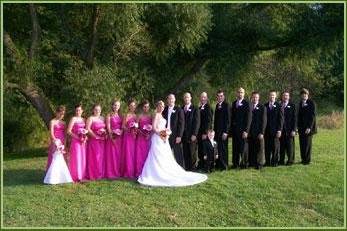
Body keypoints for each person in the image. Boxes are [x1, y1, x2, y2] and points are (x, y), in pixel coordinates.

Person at [138, 101, 207, 187]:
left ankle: (165, 171)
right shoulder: (156, 115)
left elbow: (162, 127)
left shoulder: (162, 115)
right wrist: (163, 134)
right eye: (160, 106)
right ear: (157, 106)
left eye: (163, 106)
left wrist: (167, 132)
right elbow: (154, 128)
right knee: (157, 156)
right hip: (158, 139)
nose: (162, 107)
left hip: (163, 139)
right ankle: (156, 173)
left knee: (165, 156)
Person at [229, 87, 252, 169]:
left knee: (243, 148)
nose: (240, 94)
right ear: (236, 93)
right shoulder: (234, 103)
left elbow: (249, 118)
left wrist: (246, 131)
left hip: (243, 131)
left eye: (241, 92)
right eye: (238, 92)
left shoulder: (247, 103)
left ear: (244, 93)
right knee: (235, 148)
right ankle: (235, 164)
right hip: (235, 130)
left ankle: (244, 164)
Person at [162, 94, 185, 168]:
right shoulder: (164, 109)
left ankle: (181, 169)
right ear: (167, 100)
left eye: (172, 99)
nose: (171, 100)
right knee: (165, 154)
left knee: (178, 154)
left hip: (175, 136)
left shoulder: (179, 110)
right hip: (165, 135)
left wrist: (179, 136)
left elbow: (181, 124)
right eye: (169, 99)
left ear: (174, 100)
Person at [67, 103, 87, 182]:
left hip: (83, 142)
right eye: (76, 110)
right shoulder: (73, 119)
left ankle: (82, 175)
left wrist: (85, 137)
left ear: (82, 111)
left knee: (82, 158)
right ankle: (76, 176)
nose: (78, 112)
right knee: (76, 158)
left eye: (79, 110)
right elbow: (68, 131)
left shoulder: (84, 119)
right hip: (76, 141)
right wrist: (78, 137)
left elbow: (86, 130)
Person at [86, 104, 107, 180]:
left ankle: (100, 173)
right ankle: (93, 174)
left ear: (101, 110)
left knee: (100, 157)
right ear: (93, 110)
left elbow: (105, 128)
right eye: (96, 109)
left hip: (102, 140)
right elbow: (88, 129)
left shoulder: (102, 118)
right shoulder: (90, 118)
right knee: (94, 157)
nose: (97, 111)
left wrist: (104, 133)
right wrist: (95, 136)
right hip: (94, 140)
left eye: (99, 109)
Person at [297, 88, 317, 165]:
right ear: (301, 95)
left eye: (305, 94)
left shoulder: (312, 103)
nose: (304, 95)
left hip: (309, 128)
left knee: (307, 144)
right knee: (302, 144)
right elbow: (299, 116)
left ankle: (307, 160)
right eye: (303, 94)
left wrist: (309, 127)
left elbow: (313, 116)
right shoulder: (300, 103)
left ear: (307, 95)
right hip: (301, 128)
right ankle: (303, 159)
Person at [182, 92, 200, 171]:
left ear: (190, 98)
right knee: (185, 152)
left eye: (188, 97)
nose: (186, 99)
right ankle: (187, 168)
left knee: (192, 152)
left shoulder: (195, 108)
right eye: (185, 97)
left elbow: (197, 122)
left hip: (192, 135)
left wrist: (194, 134)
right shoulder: (182, 108)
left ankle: (193, 168)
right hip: (184, 135)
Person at [264, 90, 284, 167]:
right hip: (267, 131)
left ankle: (274, 162)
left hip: (276, 131)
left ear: (275, 96)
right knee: (267, 147)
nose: (272, 97)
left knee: (275, 147)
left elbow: (281, 119)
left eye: (273, 95)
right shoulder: (265, 106)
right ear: (268, 96)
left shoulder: (279, 106)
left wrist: (279, 130)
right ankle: (267, 162)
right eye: (270, 95)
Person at [105, 99, 123, 179]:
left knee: (118, 155)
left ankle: (117, 172)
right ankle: (110, 173)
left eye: (118, 105)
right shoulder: (109, 115)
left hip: (119, 138)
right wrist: (111, 136)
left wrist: (121, 132)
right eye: (115, 105)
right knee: (111, 155)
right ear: (112, 106)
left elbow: (122, 126)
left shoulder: (121, 115)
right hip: (112, 137)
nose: (116, 107)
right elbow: (108, 127)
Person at [248, 92, 266, 169]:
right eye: (253, 97)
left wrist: (262, 132)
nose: (255, 99)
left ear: (259, 98)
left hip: (259, 132)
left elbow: (264, 121)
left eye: (256, 97)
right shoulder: (250, 106)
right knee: (252, 148)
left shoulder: (262, 107)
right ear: (252, 98)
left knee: (260, 149)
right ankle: (252, 163)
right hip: (251, 132)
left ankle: (260, 164)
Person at [135, 100, 153, 177]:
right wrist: (142, 133)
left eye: (147, 107)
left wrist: (149, 134)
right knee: (140, 155)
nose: (146, 108)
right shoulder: (139, 116)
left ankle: (148, 171)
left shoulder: (151, 116)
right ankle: (140, 171)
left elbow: (153, 126)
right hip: (140, 137)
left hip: (148, 138)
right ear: (142, 107)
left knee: (147, 154)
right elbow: (136, 127)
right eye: (145, 107)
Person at [213, 89, 230, 170]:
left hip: (223, 132)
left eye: (221, 96)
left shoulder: (227, 105)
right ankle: (218, 164)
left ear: (224, 97)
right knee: (218, 148)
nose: (220, 97)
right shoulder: (217, 105)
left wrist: (226, 132)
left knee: (223, 149)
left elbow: (228, 120)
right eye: (218, 96)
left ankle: (224, 166)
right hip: (217, 131)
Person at [122, 99, 138, 179]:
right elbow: (123, 126)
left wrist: (135, 129)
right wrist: (129, 129)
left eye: (134, 105)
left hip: (134, 137)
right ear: (129, 106)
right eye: (131, 105)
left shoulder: (136, 116)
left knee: (133, 154)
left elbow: (137, 126)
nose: (132, 107)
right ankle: (128, 172)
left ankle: (133, 171)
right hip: (128, 136)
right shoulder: (126, 115)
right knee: (128, 154)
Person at [46, 105, 66, 171]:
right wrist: (55, 140)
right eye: (60, 113)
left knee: (61, 156)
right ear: (56, 113)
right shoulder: (52, 122)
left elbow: (65, 133)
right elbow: (51, 132)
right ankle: (52, 172)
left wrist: (65, 142)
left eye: (63, 114)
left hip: (62, 140)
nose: (61, 115)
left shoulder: (64, 123)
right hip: (55, 141)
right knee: (54, 156)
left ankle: (61, 172)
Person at [279, 91, 296, 165]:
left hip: (290, 130)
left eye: (287, 96)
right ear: (282, 97)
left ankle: (290, 160)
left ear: (289, 97)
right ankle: (281, 160)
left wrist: (294, 129)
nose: (285, 97)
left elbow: (295, 119)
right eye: (284, 96)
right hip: (281, 130)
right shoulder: (279, 105)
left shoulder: (292, 105)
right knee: (281, 147)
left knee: (290, 147)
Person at [197, 92, 213, 170]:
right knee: (200, 149)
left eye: (204, 97)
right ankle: (201, 163)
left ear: (206, 98)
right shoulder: (200, 107)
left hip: (204, 133)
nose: (203, 98)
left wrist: (205, 133)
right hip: (199, 133)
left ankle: (206, 166)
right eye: (201, 97)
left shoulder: (208, 107)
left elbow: (209, 121)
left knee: (205, 150)